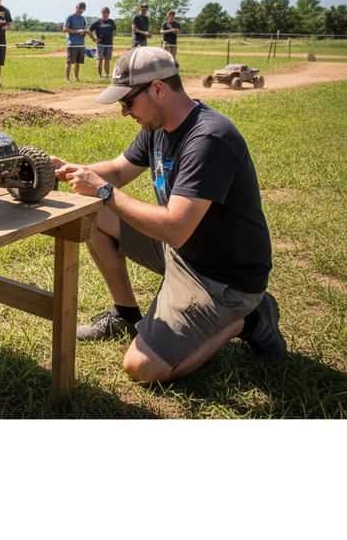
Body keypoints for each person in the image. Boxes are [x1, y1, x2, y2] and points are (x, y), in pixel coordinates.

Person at [51, 46, 286, 385]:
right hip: (184, 252)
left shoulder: (209, 138)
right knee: (91, 215)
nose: (123, 112)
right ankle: (126, 314)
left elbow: (176, 228)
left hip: (222, 279)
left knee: (141, 368)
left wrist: (103, 190)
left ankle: (250, 319)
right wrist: (72, 171)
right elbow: (117, 170)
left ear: (158, 89)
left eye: (127, 102)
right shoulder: (157, 126)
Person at [88, 6, 117, 79]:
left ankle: (107, 75)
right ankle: (100, 75)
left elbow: (114, 31)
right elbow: (89, 30)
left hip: (109, 44)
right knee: (100, 59)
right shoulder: (98, 22)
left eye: (106, 12)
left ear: (109, 13)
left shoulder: (111, 22)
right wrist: (93, 39)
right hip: (100, 44)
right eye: (104, 12)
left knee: (107, 60)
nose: (105, 14)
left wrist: (111, 38)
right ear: (101, 13)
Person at [63, 1, 88, 83]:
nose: (81, 11)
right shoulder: (70, 17)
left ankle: (76, 78)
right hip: (72, 42)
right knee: (69, 61)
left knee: (78, 61)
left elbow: (83, 29)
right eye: (80, 8)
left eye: (82, 10)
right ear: (76, 7)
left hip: (81, 42)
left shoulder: (83, 18)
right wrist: (77, 31)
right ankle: (67, 78)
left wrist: (83, 33)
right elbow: (65, 29)